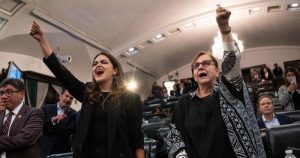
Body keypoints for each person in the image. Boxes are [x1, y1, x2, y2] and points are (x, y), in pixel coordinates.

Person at [30, 22, 144, 158]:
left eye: (103, 62)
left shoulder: (130, 97)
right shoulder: (87, 93)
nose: (98, 65)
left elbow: (136, 137)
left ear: (114, 70)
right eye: (95, 63)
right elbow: (62, 73)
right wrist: (42, 40)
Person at [166, 6, 266, 158]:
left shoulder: (229, 92)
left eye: (206, 63)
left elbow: (231, 64)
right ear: (194, 75)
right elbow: (174, 133)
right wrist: (181, 154)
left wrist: (225, 30)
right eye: (196, 66)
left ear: (218, 71)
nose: (201, 66)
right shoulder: (184, 103)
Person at [0, 78, 44, 158]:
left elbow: (23, 140)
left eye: (9, 92)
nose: (4, 96)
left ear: (22, 94)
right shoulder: (1, 113)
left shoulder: (35, 113)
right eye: (2, 93)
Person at [41, 89, 76, 157]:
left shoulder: (73, 113)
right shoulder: (46, 108)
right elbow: (41, 124)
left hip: (63, 150)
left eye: (71, 98)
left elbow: (70, 130)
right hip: (46, 148)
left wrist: (52, 127)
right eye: (66, 96)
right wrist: (53, 120)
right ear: (60, 96)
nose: (68, 99)